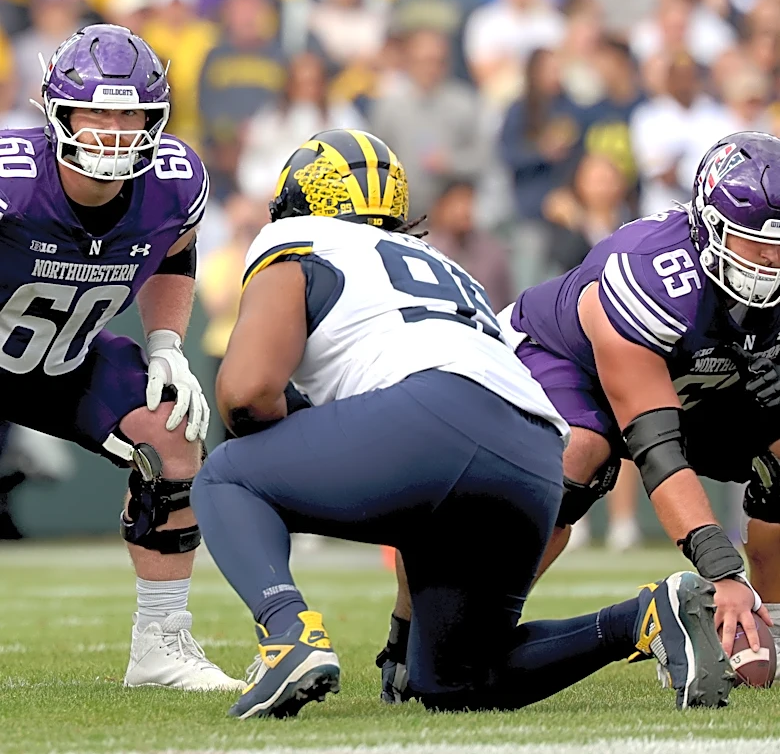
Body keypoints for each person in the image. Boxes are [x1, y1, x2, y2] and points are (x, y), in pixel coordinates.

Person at [190, 128, 731, 719]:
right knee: (455, 679)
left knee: (224, 476)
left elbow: (246, 394)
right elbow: (423, 467)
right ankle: (648, 618)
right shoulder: (443, 262)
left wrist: (287, 445)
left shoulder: (296, 240)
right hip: (534, 456)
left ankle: (286, 634)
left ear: (296, 202)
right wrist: (401, 630)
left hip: (427, 419)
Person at [378, 131, 780, 700]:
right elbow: (657, 449)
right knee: (577, 456)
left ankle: (772, 627)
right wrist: (721, 570)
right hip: (563, 362)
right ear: (710, 229)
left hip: (693, 376)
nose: (772, 259)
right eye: (754, 242)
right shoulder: (650, 276)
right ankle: (416, 634)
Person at [1, 23, 243, 691]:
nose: (112, 128)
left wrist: (166, 343)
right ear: (58, 113)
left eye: (129, 112)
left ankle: (160, 647)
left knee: (173, 430)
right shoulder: (12, 179)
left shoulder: (175, 181)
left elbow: (175, 251)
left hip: (61, 357)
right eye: (97, 111)